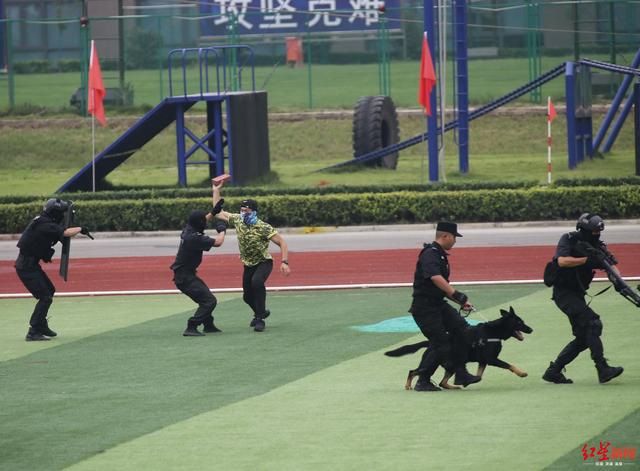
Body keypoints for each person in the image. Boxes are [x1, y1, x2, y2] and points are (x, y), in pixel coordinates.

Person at [542, 213, 624, 384]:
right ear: (584, 229)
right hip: (564, 294)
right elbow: (562, 261)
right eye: (593, 231)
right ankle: (602, 368)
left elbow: (610, 266)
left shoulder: (598, 246)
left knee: (584, 338)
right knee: (593, 323)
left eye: (598, 232)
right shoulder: (569, 239)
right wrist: (586, 260)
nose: (597, 234)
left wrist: (618, 280)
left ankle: (553, 371)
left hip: (578, 295)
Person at [408, 221, 481, 392]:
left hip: (438, 304)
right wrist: (456, 294)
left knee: (462, 330)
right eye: (454, 237)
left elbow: (442, 285)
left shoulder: (440, 255)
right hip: (425, 308)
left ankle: (461, 374)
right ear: (445, 236)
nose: (455, 241)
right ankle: (423, 381)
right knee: (440, 343)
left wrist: (460, 301)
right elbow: (435, 277)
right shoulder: (430, 254)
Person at [213, 181, 291, 332]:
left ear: (254, 212)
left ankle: (260, 319)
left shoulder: (263, 227)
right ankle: (260, 312)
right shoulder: (237, 220)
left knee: (257, 282)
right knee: (247, 297)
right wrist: (216, 190)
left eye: (247, 211)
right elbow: (218, 212)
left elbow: (282, 243)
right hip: (248, 264)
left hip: (263, 262)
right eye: (242, 210)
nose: (244, 213)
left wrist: (285, 262)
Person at [15, 198, 89, 341]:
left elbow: (60, 233)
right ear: (55, 213)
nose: (63, 216)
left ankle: (41, 325)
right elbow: (66, 232)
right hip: (26, 267)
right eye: (62, 213)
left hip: (30, 265)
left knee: (50, 290)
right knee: (45, 297)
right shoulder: (45, 224)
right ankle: (33, 331)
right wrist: (81, 229)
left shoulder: (44, 221)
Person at [170, 184, 227, 337]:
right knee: (209, 301)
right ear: (199, 224)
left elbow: (202, 220)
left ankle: (208, 325)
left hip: (185, 275)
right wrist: (222, 229)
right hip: (185, 277)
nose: (205, 222)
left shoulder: (189, 229)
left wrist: (213, 212)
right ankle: (192, 326)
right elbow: (218, 242)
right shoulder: (195, 238)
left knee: (205, 298)